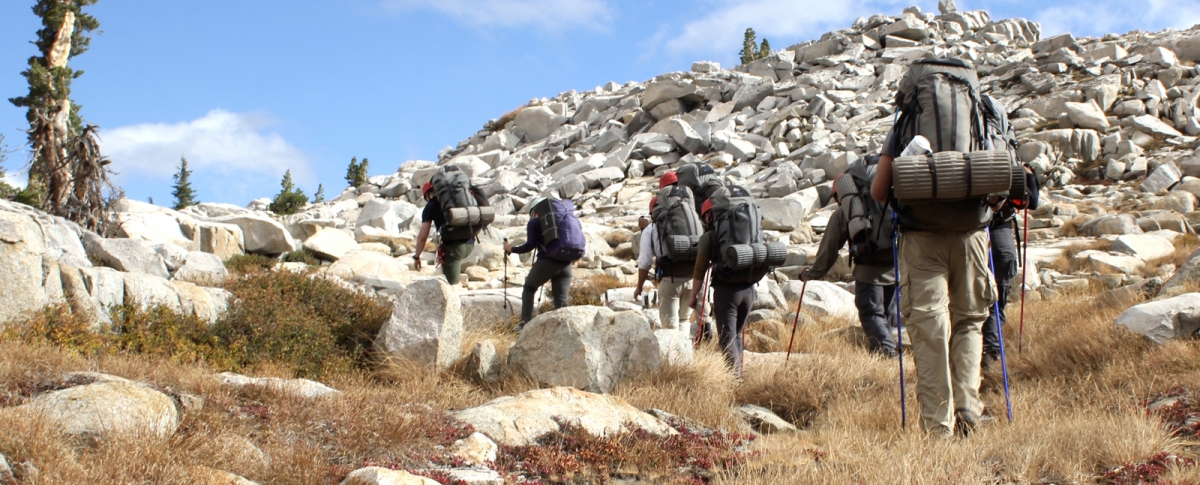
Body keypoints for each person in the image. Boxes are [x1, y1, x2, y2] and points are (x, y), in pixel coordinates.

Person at [870, 57, 999, 437]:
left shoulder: (905, 124)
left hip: (921, 236)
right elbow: (997, 180)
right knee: (970, 322)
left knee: (929, 329)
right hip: (972, 235)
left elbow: (879, 192)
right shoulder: (979, 117)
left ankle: (938, 429)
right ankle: (968, 409)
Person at [801, 167, 897, 358]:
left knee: (871, 313)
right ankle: (880, 357)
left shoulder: (848, 209)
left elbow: (830, 247)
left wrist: (813, 273)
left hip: (868, 270)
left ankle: (888, 353)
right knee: (887, 316)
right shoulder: (888, 199)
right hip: (895, 267)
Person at [688, 199, 755, 376]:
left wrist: (693, 296)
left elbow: (700, 268)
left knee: (727, 339)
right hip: (749, 289)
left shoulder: (709, 237)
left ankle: (734, 381)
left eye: (704, 217)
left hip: (727, 292)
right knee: (737, 335)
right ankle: (739, 376)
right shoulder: (744, 230)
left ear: (710, 215)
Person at [983, 164, 1038, 368]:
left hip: (972, 230)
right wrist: (1025, 174)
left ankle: (988, 351)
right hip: (999, 231)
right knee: (996, 297)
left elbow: (1029, 201)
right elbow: (1031, 201)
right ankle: (991, 352)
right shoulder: (1010, 158)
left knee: (985, 298)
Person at [504, 198, 573, 326]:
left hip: (546, 263)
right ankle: (567, 327)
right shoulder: (562, 220)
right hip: (566, 263)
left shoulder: (535, 222)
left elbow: (529, 246)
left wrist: (511, 248)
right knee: (561, 302)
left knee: (529, 288)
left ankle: (525, 323)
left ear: (536, 211)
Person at [633, 197, 693, 331]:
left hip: (670, 280)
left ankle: (675, 352)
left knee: (670, 326)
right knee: (684, 320)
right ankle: (686, 351)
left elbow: (645, 262)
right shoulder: (688, 224)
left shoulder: (651, 229)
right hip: (692, 279)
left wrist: (639, 287)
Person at [413, 181, 474, 285]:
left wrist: (417, 257)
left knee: (451, 285)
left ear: (427, 194)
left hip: (454, 248)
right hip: (470, 242)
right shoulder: (457, 199)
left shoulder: (431, 205)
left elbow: (422, 237)